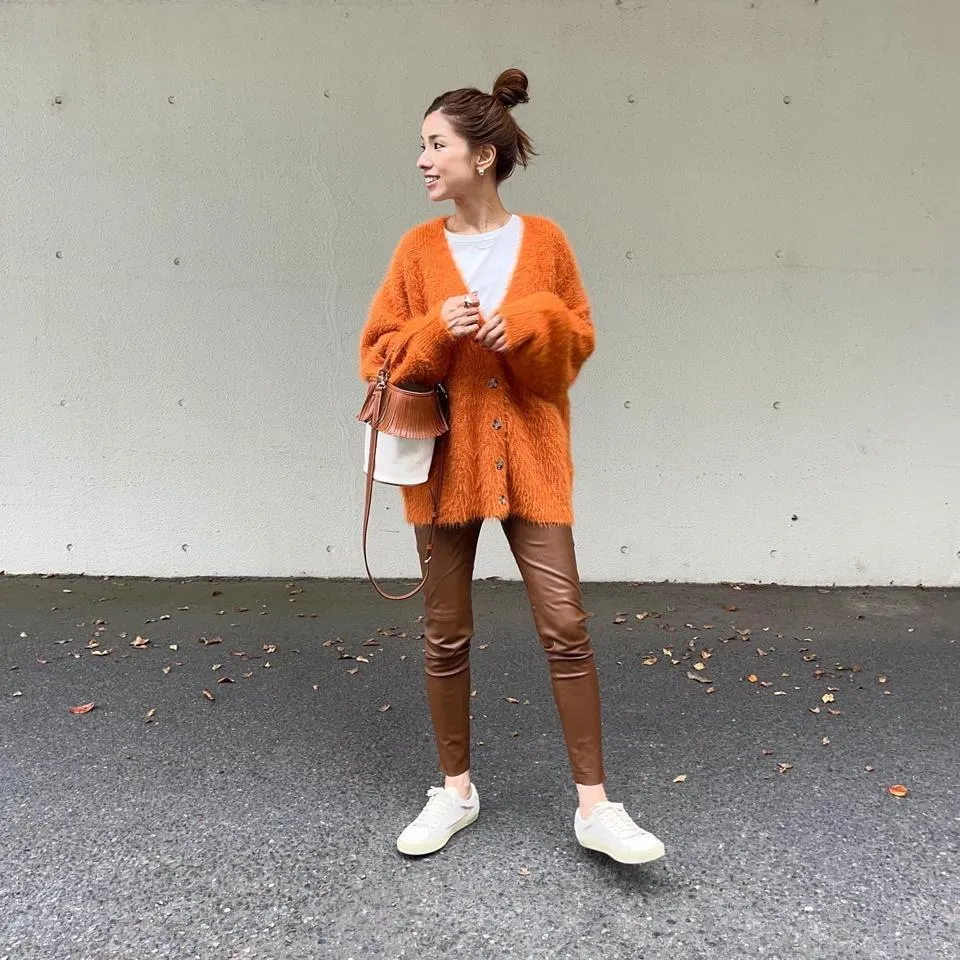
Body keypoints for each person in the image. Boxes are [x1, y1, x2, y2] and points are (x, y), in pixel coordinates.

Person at [358, 68, 665, 866]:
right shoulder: (417, 251)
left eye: (436, 145)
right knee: (444, 633)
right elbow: (378, 358)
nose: (422, 160)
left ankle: (595, 807)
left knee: (566, 629)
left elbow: (572, 352)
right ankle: (455, 791)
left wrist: (524, 325)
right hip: (444, 467)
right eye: (422, 146)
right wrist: (436, 329)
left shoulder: (547, 242)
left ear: (483, 156)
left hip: (533, 457)